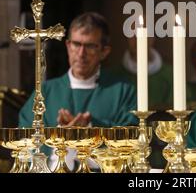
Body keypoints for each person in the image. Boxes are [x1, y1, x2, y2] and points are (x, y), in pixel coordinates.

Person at [19, 12, 137, 170]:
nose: (81, 54)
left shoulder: (123, 91)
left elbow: (134, 141)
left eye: (90, 46)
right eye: (76, 44)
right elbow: (24, 143)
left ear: (104, 51)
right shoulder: (45, 92)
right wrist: (61, 140)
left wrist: (90, 129)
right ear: (68, 46)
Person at [111, 36, 173, 111]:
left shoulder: (170, 74)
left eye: (144, 34)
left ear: (153, 38)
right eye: (133, 35)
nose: (138, 39)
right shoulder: (114, 75)